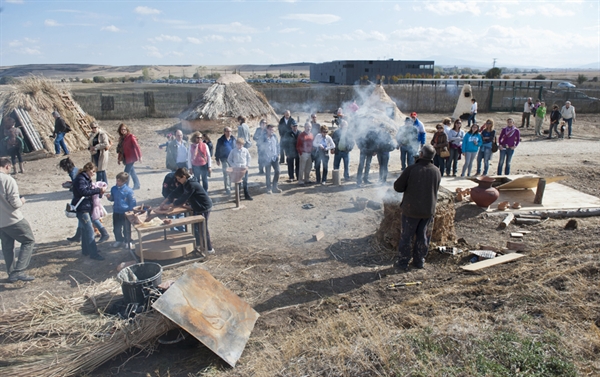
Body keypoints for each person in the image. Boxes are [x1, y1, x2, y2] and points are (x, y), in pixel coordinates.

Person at [393, 145, 441, 271]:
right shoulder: (436, 170)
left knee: (407, 237)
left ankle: (403, 262)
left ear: (421, 155)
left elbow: (398, 187)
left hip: (411, 210)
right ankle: (419, 261)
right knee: (423, 237)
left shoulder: (412, 169)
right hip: (428, 210)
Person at [160, 167, 214, 254]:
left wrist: (169, 206)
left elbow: (183, 198)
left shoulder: (191, 184)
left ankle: (209, 249)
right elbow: (175, 192)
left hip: (204, 207)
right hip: (197, 206)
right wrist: (164, 201)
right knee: (198, 227)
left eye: (179, 179)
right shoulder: (185, 183)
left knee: (203, 228)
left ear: (184, 176)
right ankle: (200, 245)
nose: (178, 181)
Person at [0, 157, 35, 282]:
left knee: (7, 246)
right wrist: (22, 201)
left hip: (1, 222)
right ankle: (19, 271)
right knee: (29, 241)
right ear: (8, 166)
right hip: (13, 219)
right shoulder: (8, 180)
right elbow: (15, 203)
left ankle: (11, 273)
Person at [71, 162, 106, 260]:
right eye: (93, 171)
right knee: (90, 231)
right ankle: (94, 254)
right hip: (82, 209)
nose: (94, 173)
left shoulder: (84, 178)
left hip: (85, 207)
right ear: (87, 169)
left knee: (84, 230)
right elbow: (84, 192)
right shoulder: (81, 179)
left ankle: (86, 250)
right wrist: (98, 190)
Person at [106, 172, 137, 249]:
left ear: (124, 181)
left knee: (126, 228)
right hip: (116, 211)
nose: (117, 182)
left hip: (125, 212)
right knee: (116, 227)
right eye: (117, 180)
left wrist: (131, 210)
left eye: (119, 181)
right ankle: (119, 240)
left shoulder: (128, 190)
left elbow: (132, 201)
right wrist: (109, 198)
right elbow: (113, 198)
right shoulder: (114, 189)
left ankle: (128, 241)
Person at [116, 123, 142, 190]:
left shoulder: (131, 136)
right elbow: (120, 150)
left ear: (127, 129)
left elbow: (137, 146)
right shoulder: (121, 139)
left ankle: (125, 187)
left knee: (126, 173)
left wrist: (140, 156)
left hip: (132, 157)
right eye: (121, 130)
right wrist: (119, 159)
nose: (123, 131)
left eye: (124, 129)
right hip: (126, 158)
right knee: (132, 171)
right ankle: (137, 184)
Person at [215, 127, 236, 194]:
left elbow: (235, 148)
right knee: (226, 173)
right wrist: (217, 159)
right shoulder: (220, 140)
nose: (229, 133)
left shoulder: (233, 139)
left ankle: (229, 185)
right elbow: (217, 149)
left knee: (231, 173)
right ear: (224, 132)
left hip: (232, 159)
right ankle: (227, 188)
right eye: (228, 131)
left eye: (230, 131)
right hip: (224, 158)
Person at [262, 124, 281, 193]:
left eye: (273, 129)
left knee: (278, 171)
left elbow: (277, 145)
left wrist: (278, 153)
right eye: (270, 129)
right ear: (267, 129)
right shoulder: (263, 137)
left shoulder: (275, 136)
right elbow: (260, 147)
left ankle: (275, 187)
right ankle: (269, 188)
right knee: (268, 173)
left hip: (274, 157)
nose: (272, 131)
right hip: (267, 158)